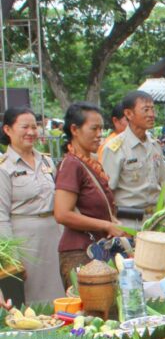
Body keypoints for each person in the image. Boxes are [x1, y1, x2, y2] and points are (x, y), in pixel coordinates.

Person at [53, 102, 126, 288]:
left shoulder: (88, 162)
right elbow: (62, 214)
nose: (99, 134)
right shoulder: (71, 165)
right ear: (75, 130)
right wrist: (106, 225)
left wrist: (112, 222)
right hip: (80, 253)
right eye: (94, 128)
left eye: (101, 128)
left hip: (96, 251)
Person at [0, 107, 63, 302]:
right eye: (24, 127)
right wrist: (12, 259)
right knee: (33, 298)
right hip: (26, 243)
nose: (31, 132)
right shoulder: (4, 167)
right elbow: (1, 216)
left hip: (54, 236)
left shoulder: (46, 161)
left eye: (34, 127)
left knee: (59, 292)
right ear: (8, 130)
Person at [101, 90, 165, 215]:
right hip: (128, 220)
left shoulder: (155, 145)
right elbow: (107, 191)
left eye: (153, 109)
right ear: (129, 114)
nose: (152, 114)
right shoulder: (115, 148)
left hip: (155, 218)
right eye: (146, 110)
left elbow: (160, 182)